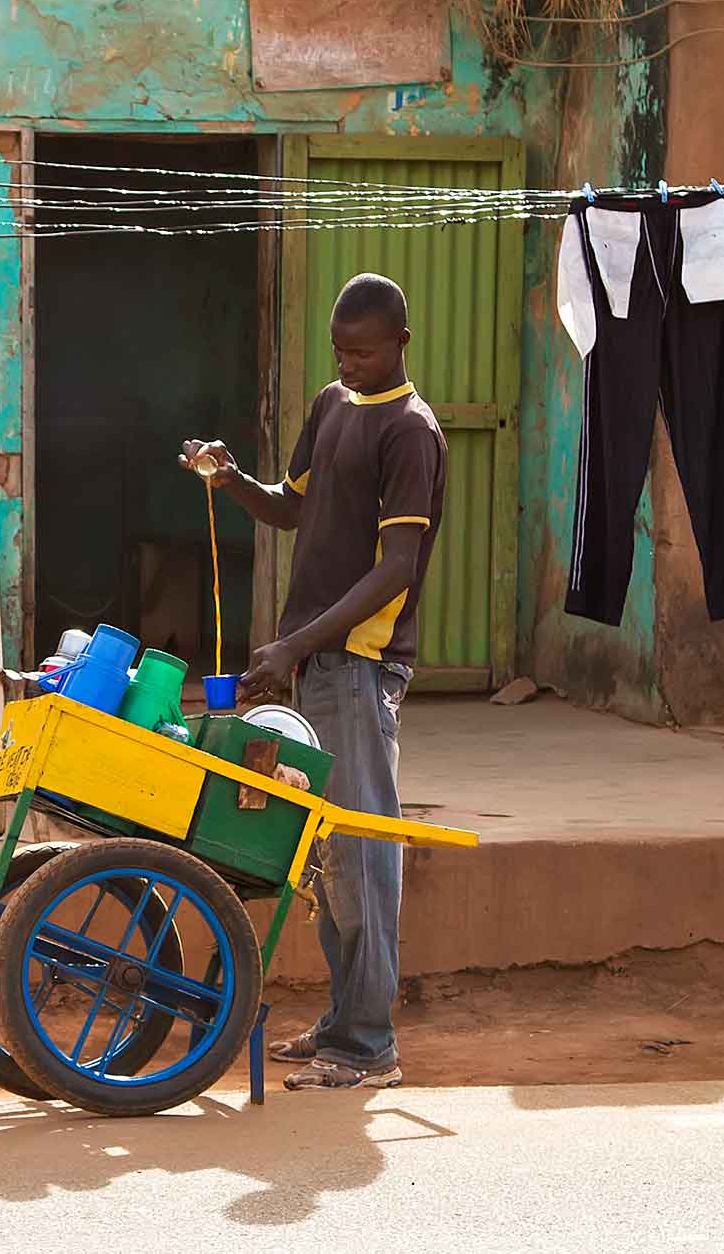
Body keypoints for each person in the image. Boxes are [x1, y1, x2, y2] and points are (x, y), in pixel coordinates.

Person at [179, 272, 446, 1090]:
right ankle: (341, 1024)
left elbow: (397, 566)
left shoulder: (412, 432)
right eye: (341, 352)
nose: (351, 365)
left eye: (364, 352)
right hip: (316, 663)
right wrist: (229, 480)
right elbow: (291, 507)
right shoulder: (332, 406)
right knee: (327, 853)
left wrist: (294, 642)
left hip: (360, 667)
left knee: (362, 855)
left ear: (400, 342)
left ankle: (369, 1046)